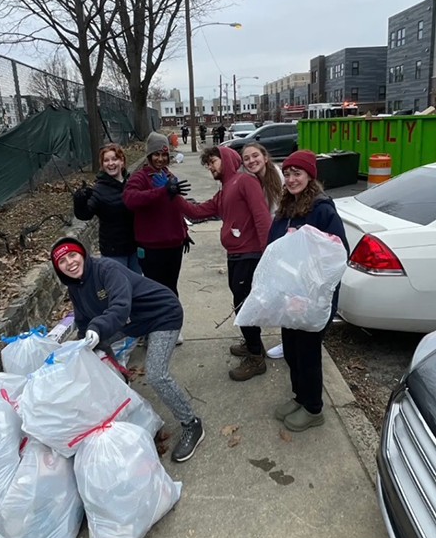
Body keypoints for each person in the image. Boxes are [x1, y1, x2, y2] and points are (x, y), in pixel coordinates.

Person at [50, 237, 204, 462]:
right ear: (58, 268)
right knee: (94, 347)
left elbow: (120, 306)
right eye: (62, 261)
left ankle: (192, 423)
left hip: (162, 315)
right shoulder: (76, 287)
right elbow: (84, 323)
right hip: (133, 322)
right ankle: (121, 384)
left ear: (82, 254)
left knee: (156, 375)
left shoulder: (107, 270)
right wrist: (79, 346)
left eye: (72, 255)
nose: (70, 263)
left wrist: (97, 327)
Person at [267, 150, 349, 433]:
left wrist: (306, 250)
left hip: (312, 298)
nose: (290, 179)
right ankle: (300, 397)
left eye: (297, 173)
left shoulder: (322, 208)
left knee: (308, 353)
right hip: (290, 295)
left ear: (309, 176)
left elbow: (339, 253)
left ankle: (314, 409)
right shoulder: (286, 206)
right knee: (291, 349)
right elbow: (274, 247)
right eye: (287, 174)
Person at [178, 146, 271, 381]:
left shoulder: (245, 182)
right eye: (208, 164)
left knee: (243, 305)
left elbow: (261, 217)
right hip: (235, 255)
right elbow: (198, 211)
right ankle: (254, 344)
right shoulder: (224, 190)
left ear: (227, 159)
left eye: (212, 162)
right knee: (242, 303)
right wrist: (173, 198)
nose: (210, 167)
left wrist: (267, 255)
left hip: (250, 255)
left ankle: (255, 357)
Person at [122, 131, 191, 298]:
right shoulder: (140, 178)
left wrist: (184, 231)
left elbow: (176, 207)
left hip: (174, 244)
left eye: (164, 155)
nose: (160, 159)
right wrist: (161, 191)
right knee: (157, 291)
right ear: (149, 155)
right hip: (152, 246)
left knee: (172, 288)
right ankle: (159, 322)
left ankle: (173, 322)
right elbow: (130, 199)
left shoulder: (169, 176)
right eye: (156, 155)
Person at [240, 141, 286, 360]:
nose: (251, 161)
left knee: (287, 294)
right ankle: (253, 339)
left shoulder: (278, 176)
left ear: (265, 157)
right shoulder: (251, 181)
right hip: (269, 241)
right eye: (246, 158)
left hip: (283, 241)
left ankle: (289, 342)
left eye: (255, 155)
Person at [73, 144, 139, 272]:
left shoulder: (132, 184)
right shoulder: (98, 189)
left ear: (122, 161)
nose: (111, 163)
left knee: (137, 287)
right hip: (114, 252)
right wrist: (79, 200)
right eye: (106, 160)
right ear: (102, 165)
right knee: (118, 289)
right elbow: (85, 214)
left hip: (135, 248)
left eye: (115, 159)